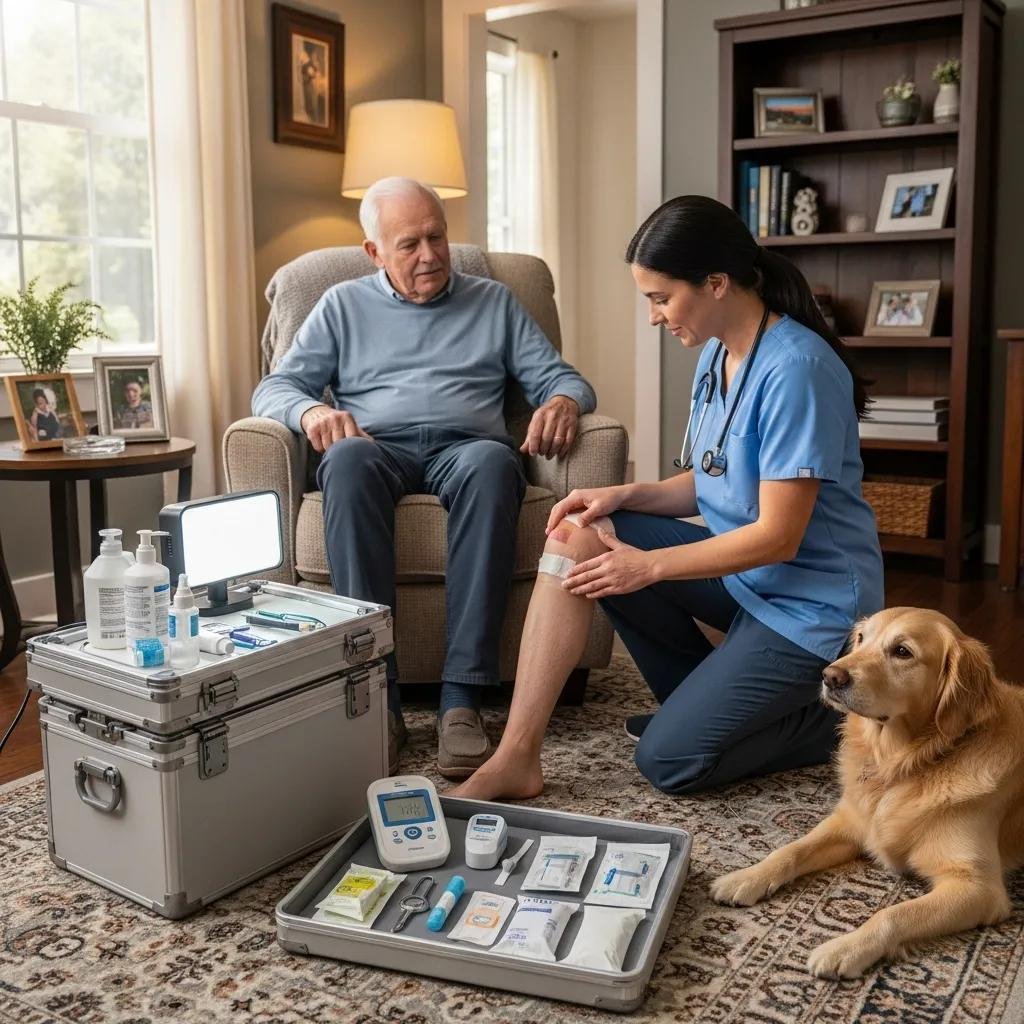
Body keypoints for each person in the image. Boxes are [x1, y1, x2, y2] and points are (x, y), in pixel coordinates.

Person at [452, 195, 884, 802]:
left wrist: (648, 565)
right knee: (585, 534)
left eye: (661, 298)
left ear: (715, 283)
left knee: (671, 759)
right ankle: (517, 755)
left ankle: (831, 722)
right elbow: (711, 480)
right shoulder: (716, 352)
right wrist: (621, 494)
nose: (654, 316)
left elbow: (777, 536)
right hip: (746, 583)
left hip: (812, 606)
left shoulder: (797, 370)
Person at [251, 176, 596, 778]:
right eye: (408, 244)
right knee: (347, 461)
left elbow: (565, 379)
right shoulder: (341, 305)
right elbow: (274, 387)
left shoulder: (494, 301)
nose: (431, 255)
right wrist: (311, 410)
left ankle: (461, 699)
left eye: (436, 236)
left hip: (468, 450)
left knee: (494, 463)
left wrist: (564, 401)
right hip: (376, 447)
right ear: (374, 252)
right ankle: (374, 694)